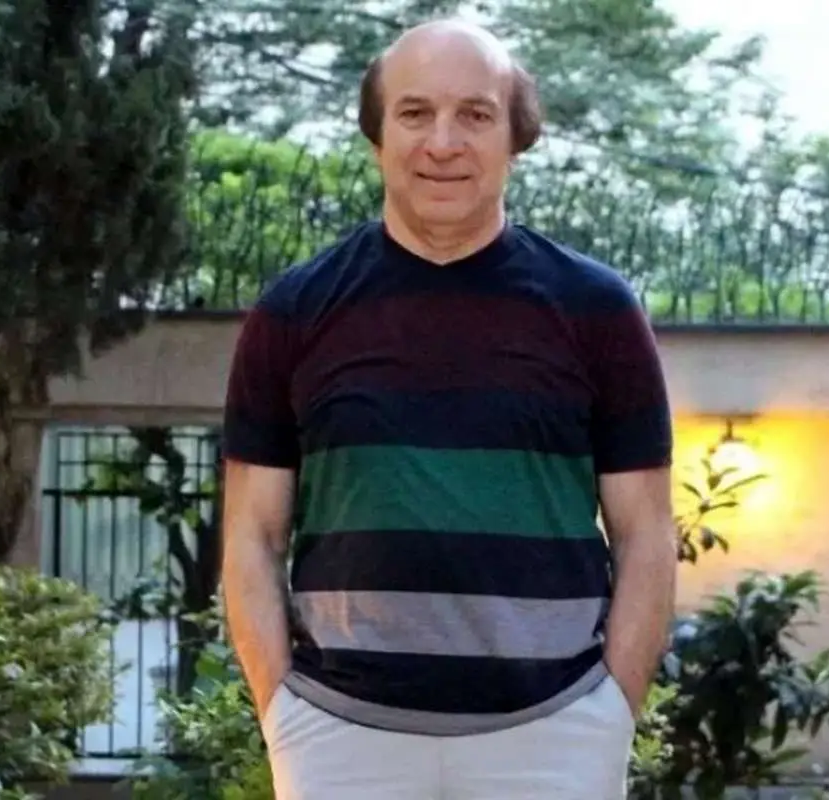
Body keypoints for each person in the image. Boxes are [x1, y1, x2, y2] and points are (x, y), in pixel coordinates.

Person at [219, 17, 677, 800]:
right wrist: (283, 711)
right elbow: (251, 535)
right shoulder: (293, 312)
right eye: (414, 113)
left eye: (475, 114)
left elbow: (647, 532)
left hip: (554, 737)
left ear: (515, 138)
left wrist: (609, 711)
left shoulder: (597, 310)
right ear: (376, 137)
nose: (443, 142)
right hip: (340, 740)